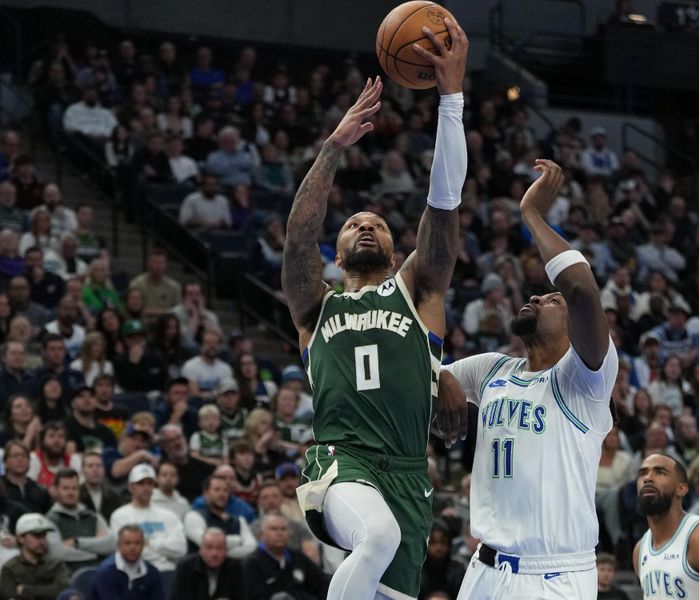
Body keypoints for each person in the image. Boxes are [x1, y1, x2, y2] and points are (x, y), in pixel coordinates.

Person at [283, 20, 468, 600]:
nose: (366, 225)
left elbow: (442, 206)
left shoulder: (418, 291)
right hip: (341, 462)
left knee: (388, 573)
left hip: (410, 473)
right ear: (335, 253)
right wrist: (333, 148)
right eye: (354, 224)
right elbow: (296, 239)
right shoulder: (317, 306)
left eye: (379, 223)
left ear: (394, 248)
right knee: (377, 537)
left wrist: (450, 100)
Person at [436, 157, 617, 598]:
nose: (536, 295)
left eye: (551, 300)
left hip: (553, 574)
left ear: (575, 326)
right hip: (483, 568)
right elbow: (412, 374)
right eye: (539, 294)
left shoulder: (585, 377)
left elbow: (581, 289)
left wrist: (531, 214)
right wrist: (435, 376)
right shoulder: (493, 369)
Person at [634, 453, 699, 598]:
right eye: (642, 474)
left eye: (660, 472)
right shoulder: (640, 550)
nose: (647, 479)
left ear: (681, 489)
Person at [109, 463, 187, 571]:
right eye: (141, 483)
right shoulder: (120, 516)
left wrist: (150, 543)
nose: (146, 488)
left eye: (150, 483)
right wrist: (163, 557)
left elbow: (180, 549)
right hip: (136, 571)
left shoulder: (169, 516)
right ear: (131, 487)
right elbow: (128, 551)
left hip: (168, 571)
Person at [242, 513, 329, 600]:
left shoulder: (298, 557)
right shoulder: (252, 563)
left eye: (283, 529)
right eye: (274, 529)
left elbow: (321, 582)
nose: (279, 533)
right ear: (261, 534)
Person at [45, 467, 115, 569]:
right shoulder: (49, 520)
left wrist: (77, 543)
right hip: (66, 576)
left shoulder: (94, 517)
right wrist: (96, 552)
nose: (70, 493)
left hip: (98, 572)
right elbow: (58, 553)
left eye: (74, 488)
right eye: (65, 488)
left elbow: (111, 544)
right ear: (55, 490)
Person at [183, 474, 257, 559]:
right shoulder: (193, 516)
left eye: (225, 490)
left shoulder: (239, 520)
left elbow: (252, 548)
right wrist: (238, 540)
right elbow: (206, 543)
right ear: (206, 494)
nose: (222, 494)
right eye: (217, 490)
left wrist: (220, 553)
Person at [0, 513, 71, 600]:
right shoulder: (10, 568)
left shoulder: (56, 563)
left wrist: (26, 590)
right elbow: (10, 596)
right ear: (20, 538)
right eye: (36, 536)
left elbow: (64, 590)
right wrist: (49, 590)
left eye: (44, 536)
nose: (42, 541)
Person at [88, 524, 165, 600]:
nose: (132, 548)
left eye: (137, 543)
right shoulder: (106, 571)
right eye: (127, 543)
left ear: (143, 545)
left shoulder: (152, 572)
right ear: (118, 545)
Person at [171, 527, 244, 600]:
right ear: (200, 549)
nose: (214, 554)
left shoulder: (235, 567)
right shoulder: (185, 568)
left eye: (219, 548)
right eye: (209, 548)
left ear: (226, 550)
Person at [1, 440, 52, 514]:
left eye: (23, 456)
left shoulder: (40, 491)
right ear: (5, 462)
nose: (20, 459)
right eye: (15, 456)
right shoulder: (1, 488)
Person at [79, 451, 123, 523]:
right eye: (90, 466)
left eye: (99, 465)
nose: (95, 469)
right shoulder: (76, 495)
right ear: (82, 470)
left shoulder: (114, 497)